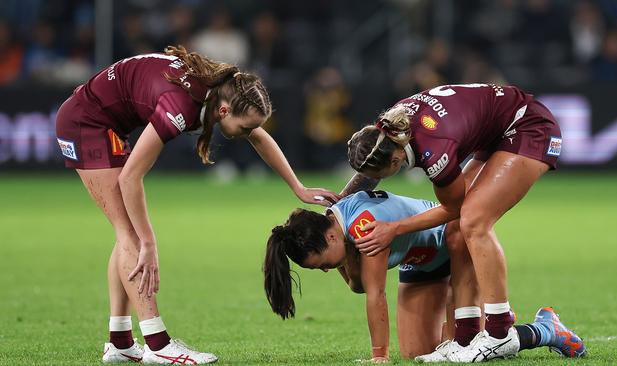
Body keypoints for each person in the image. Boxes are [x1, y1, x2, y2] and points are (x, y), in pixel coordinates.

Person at [55, 45, 338, 364]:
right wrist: (149, 242)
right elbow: (130, 178)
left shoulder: (219, 92)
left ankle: (120, 342)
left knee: (127, 236)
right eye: (244, 127)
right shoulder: (181, 108)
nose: (247, 133)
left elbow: (259, 137)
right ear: (224, 112)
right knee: (131, 237)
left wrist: (297, 187)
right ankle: (158, 344)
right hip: (85, 124)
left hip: (98, 120)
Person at [342, 83, 586, 362]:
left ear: (398, 158)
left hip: (528, 126)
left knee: (472, 221)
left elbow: (453, 207)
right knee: (455, 230)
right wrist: (339, 204)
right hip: (498, 130)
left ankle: (499, 331)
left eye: (379, 174)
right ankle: (466, 336)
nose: (375, 179)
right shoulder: (388, 131)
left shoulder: (432, 149)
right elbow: (373, 166)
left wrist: (395, 228)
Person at [263, 190, 585, 363]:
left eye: (319, 263)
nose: (323, 270)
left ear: (331, 238)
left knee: (467, 349)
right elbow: (358, 286)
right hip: (419, 262)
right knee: (419, 354)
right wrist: (342, 261)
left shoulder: (363, 229)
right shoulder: (340, 232)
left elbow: (375, 294)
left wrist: (379, 358)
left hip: (451, 244)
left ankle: (545, 329)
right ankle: (529, 327)